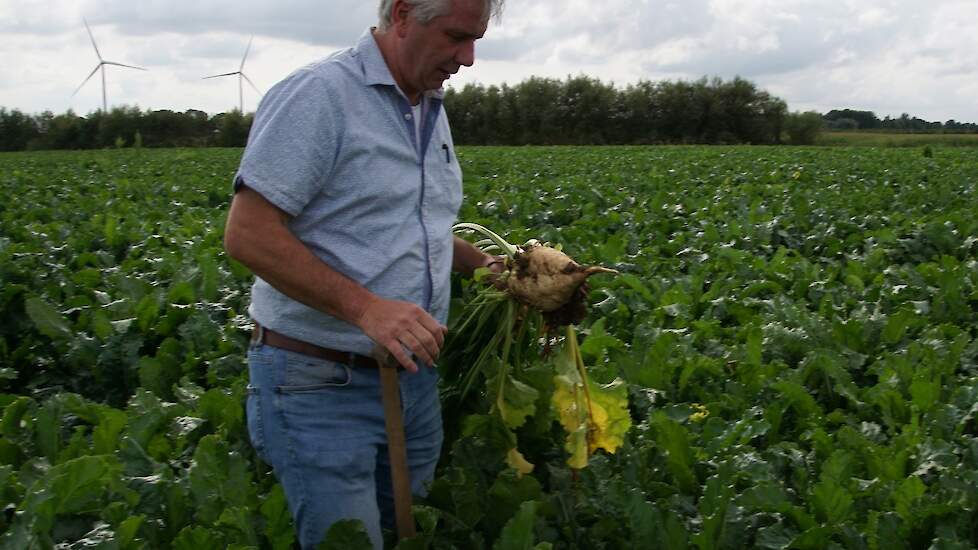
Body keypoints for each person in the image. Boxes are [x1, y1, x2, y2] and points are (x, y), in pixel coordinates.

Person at [223, 0, 505, 547]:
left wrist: (489, 267)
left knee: (408, 532)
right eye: (455, 37)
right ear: (402, 15)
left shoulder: (427, 105)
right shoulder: (320, 95)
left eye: (476, 40)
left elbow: (412, 229)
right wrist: (366, 308)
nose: (467, 58)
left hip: (413, 382)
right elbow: (248, 232)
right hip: (321, 384)